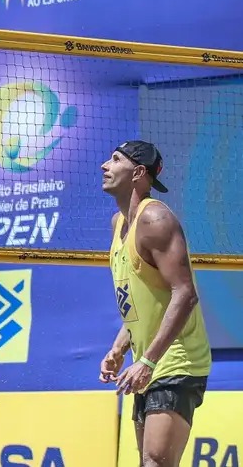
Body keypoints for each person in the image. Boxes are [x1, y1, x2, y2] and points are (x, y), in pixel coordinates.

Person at [99, 140, 211, 466]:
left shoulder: (156, 220)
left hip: (177, 361)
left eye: (115, 159)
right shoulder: (118, 224)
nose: (105, 165)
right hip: (149, 363)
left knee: (156, 462)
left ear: (137, 173)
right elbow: (141, 302)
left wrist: (147, 361)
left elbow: (185, 294)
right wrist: (120, 349)